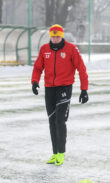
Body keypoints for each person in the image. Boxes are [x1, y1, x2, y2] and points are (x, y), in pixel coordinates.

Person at [31, 24, 89, 166]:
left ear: (62, 36)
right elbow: (38, 67)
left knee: (60, 121)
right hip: (49, 88)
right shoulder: (44, 49)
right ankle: (55, 153)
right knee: (52, 121)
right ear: (50, 36)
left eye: (58, 36)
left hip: (64, 87)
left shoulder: (71, 49)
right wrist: (34, 81)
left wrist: (84, 89)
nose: (55, 39)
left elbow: (81, 68)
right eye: (53, 36)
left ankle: (61, 153)